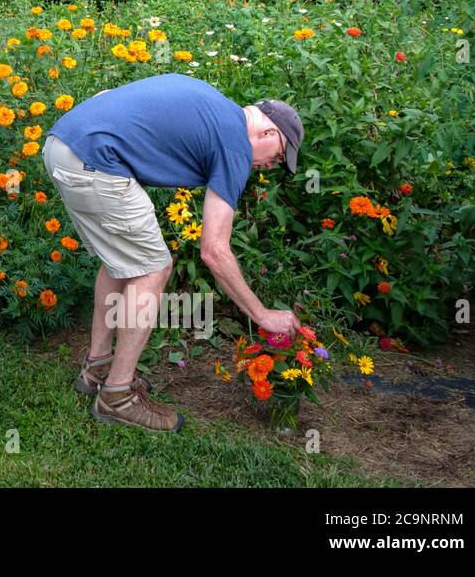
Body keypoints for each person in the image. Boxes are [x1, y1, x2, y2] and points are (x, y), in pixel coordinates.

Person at [43, 72, 304, 433]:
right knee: (154, 268)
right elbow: (214, 250)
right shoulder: (235, 145)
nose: (269, 168)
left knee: (120, 264)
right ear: (268, 133)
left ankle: (98, 367)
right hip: (96, 161)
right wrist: (262, 315)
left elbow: (110, 94)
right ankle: (117, 396)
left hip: (62, 144)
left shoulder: (214, 104)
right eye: (276, 158)